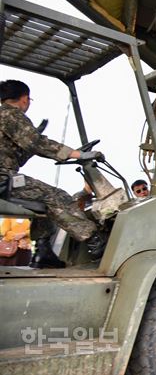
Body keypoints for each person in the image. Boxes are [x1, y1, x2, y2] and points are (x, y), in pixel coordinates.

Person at [0, 79, 106, 268]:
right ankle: (95, 241)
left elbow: (19, 156)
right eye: (29, 100)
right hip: (3, 179)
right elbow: (39, 144)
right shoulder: (11, 115)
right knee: (57, 196)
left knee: (42, 199)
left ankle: (43, 251)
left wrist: (34, 138)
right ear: (24, 99)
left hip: (6, 176)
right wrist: (78, 154)